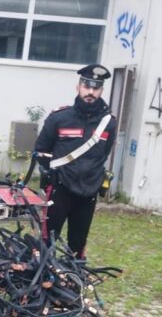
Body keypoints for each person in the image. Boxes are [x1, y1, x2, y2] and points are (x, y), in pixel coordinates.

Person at [34, 64, 116, 260]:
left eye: (96, 88)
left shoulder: (108, 123)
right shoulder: (59, 118)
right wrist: (54, 176)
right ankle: (42, 276)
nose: (90, 92)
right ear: (78, 87)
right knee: (47, 242)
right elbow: (41, 151)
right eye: (86, 86)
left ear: (101, 91)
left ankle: (73, 276)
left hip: (88, 192)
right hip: (60, 189)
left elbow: (103, 153)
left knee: (78, 245)